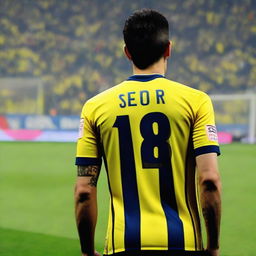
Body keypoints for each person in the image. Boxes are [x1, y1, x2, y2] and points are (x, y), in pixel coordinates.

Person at [74, 9, 222, 256]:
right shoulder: (196, 102)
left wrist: (87, 251)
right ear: (168, 49)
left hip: (123, 243)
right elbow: (209, 181)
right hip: (183, 242)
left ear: (127, 52)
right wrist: (213, 246)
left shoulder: (95, 107)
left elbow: (84, 191)